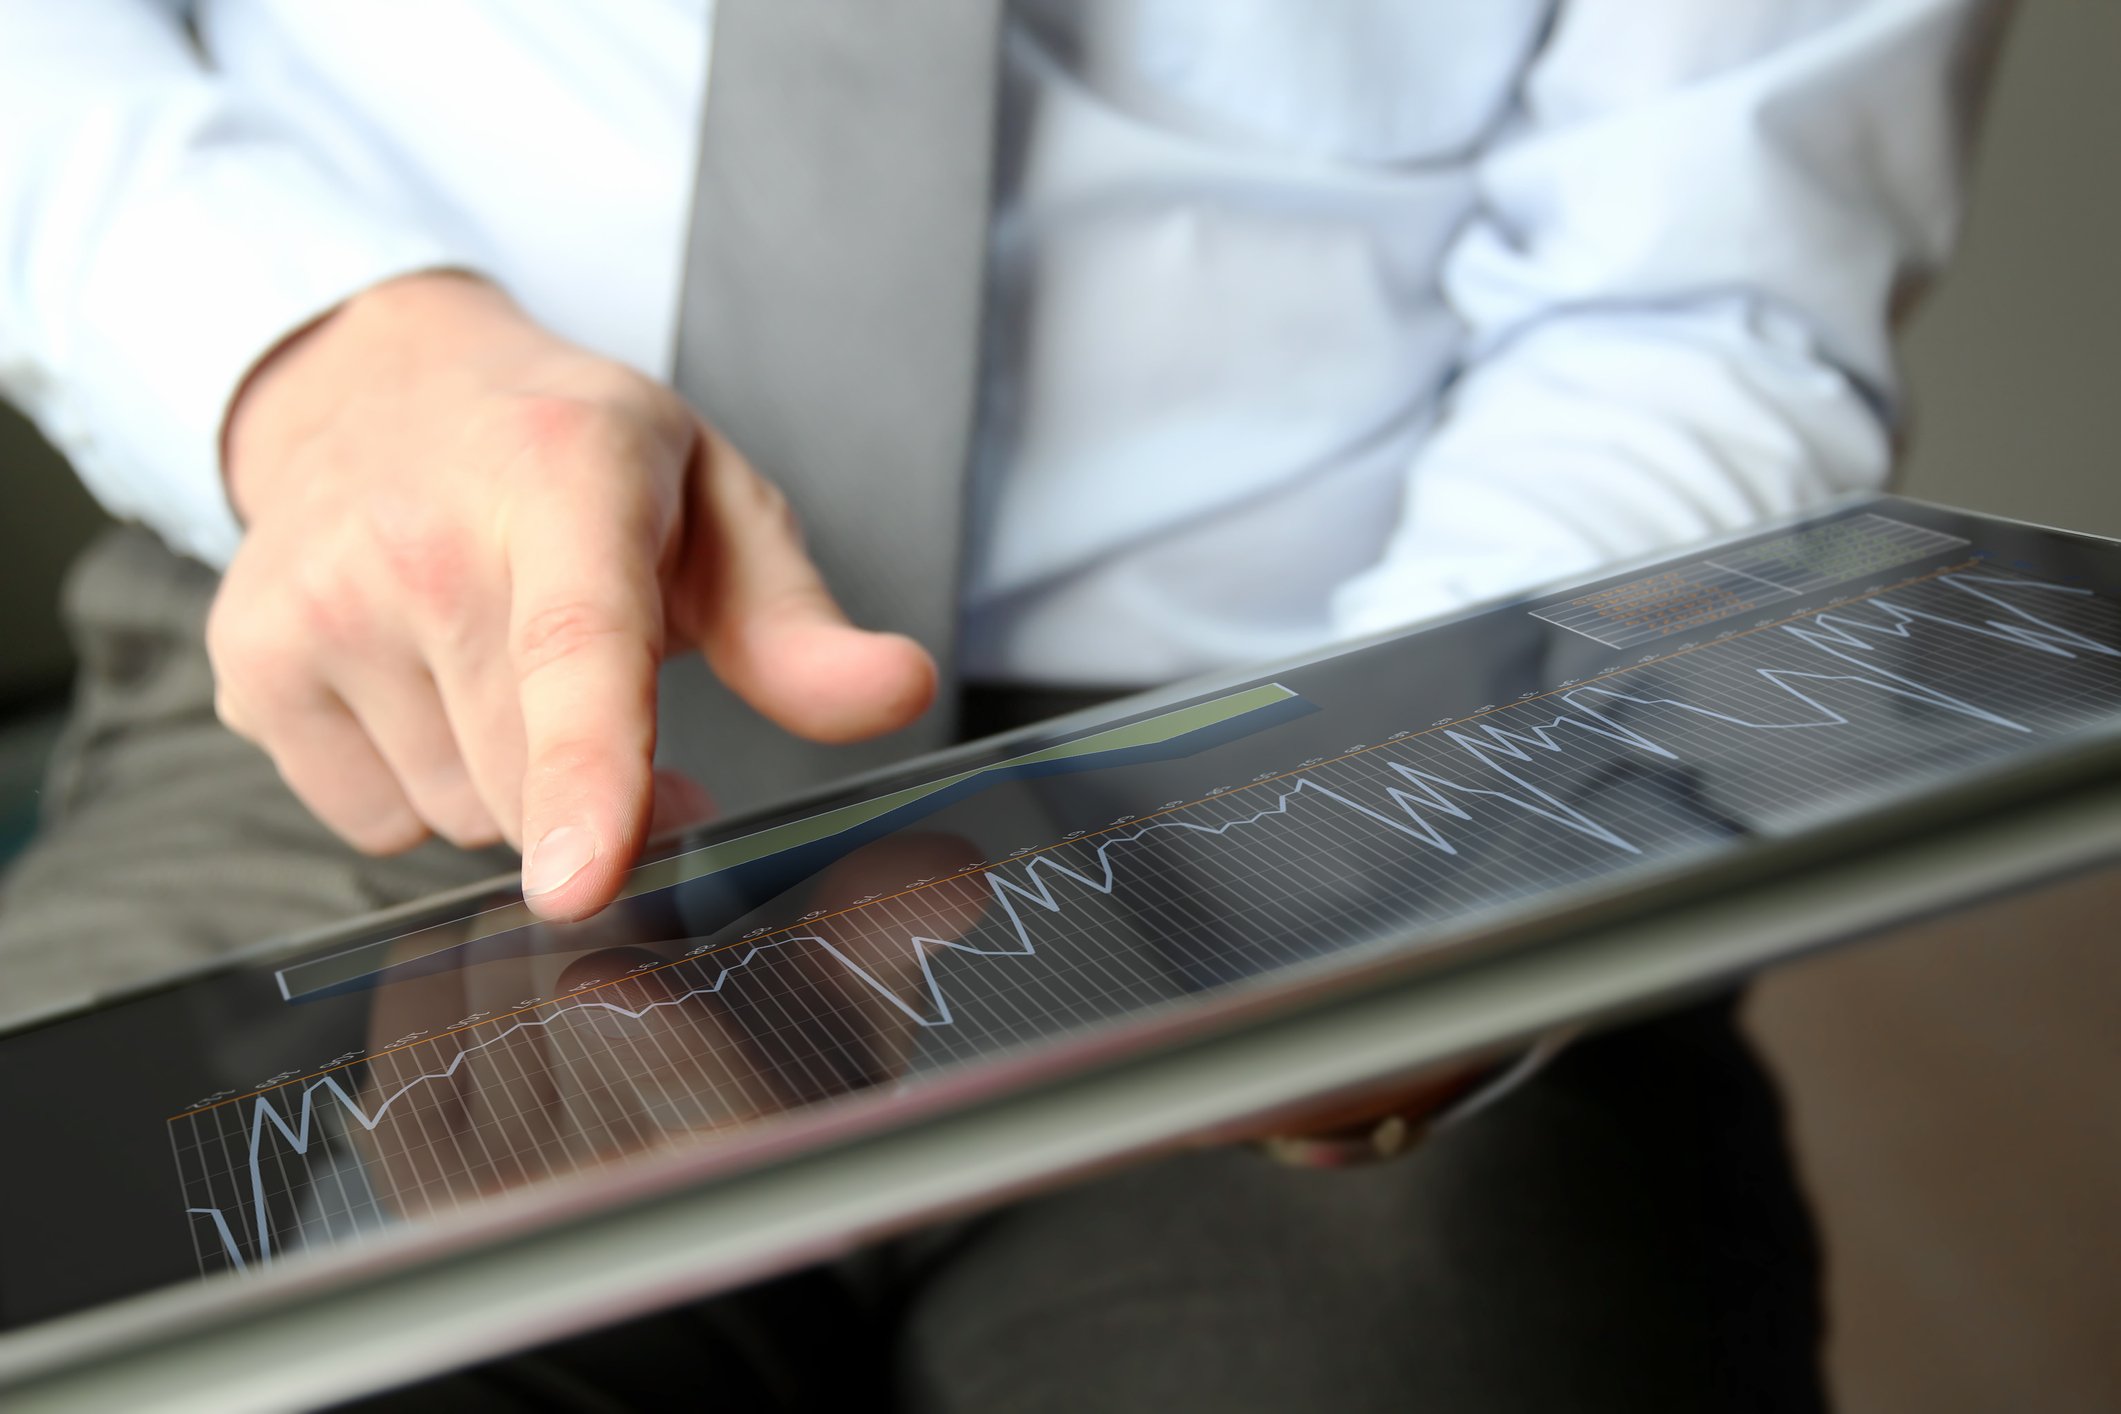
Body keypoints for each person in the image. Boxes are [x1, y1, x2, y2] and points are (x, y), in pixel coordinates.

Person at [0, 1, 1997, 1408]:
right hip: (396, 636)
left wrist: (1397, 835)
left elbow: (1696, 297)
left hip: (1364, 688)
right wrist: (323, 368)